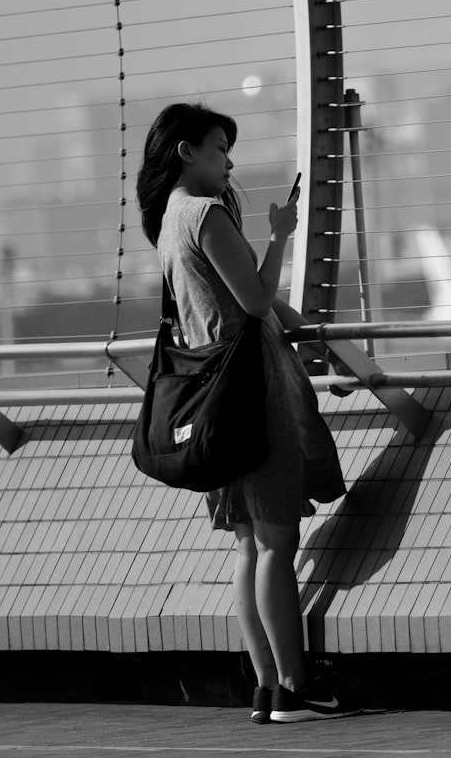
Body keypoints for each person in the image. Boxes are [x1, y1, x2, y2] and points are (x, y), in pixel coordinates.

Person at [137, 102, 349, 724]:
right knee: (279, 543)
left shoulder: (167, 220)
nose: (229, 160)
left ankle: (265, 688)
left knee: (249, 547)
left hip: (212, 397)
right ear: (187, 151)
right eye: (220, 149)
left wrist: (300, 326)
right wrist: (282, 232)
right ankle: (294, 686)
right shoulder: (203, 214)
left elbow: (226, 302)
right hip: (252, 392)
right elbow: (254, 301)